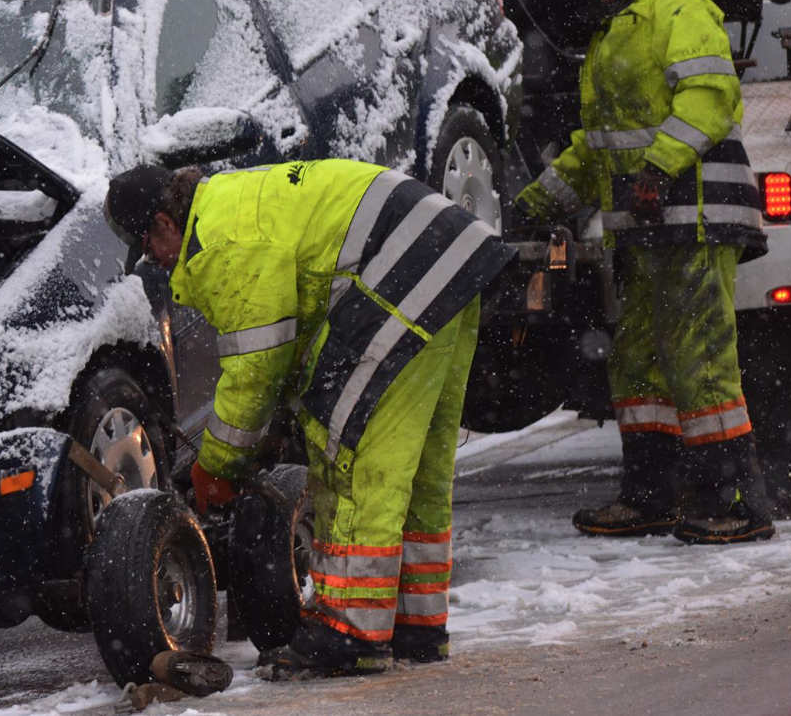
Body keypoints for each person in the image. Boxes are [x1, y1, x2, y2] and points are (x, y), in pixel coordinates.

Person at [104, 159, 513, 678]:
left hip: (403, 270)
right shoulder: (233, 202)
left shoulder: (220, 241)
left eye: (148, 249)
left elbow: (256, 364)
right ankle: (416, 625)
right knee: (415, 468)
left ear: (165, 224)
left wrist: (218, 465)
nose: (155, 263)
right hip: (448, 260)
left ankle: (349, 634)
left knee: (352, 453)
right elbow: (290, 334)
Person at [515, 0, 772, 544]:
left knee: (699, 359)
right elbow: (599, 145)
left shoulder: (675, 7)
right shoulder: (617, 28)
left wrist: (657, 171)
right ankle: (650, 497)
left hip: (695, 216)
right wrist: (534, 202)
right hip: (648, 225)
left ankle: (739, 502)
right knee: (639, 362)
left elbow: (708, 99)